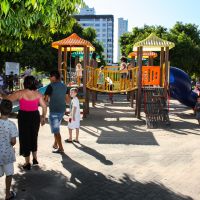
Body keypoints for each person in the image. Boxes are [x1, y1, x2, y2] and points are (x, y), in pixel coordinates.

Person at [7, 76, 47, 170]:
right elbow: (44, 106)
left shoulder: (20, 93)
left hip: (23, 117)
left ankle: (27, 162)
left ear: (25, 83)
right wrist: (43, 117)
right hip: (34, 117)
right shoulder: (38, 94)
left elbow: (7, 100)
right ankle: (35, 158)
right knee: (34, 136)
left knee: (25, 138)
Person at [44, 70, 69, 153]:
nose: (49, 78)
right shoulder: (65, 86)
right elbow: (67, 100)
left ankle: (61, 148)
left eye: (50, 76)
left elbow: (46, 99)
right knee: (56, 128)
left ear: (54, 77)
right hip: (62, 110)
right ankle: (55, 143)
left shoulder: (50, 86)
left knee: (55, 130)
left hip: (54, 111)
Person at [0, 99, 18, 200]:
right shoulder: (11, 125)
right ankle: (7, 194)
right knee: (9, 174)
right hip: (7, 154)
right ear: (11, 110)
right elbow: (13, 142)